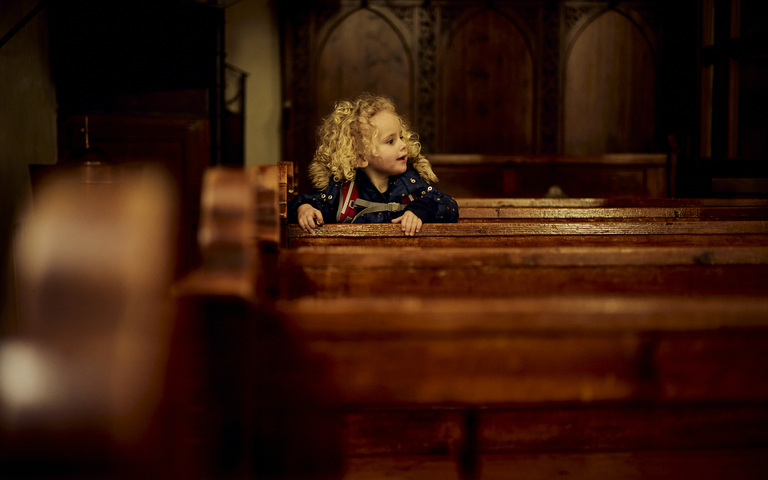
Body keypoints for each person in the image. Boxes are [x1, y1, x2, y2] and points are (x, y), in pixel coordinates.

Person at [288, 94, 459, 236]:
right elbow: (311, 203)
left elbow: (448, 205)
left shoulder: (411, 184)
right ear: (361, 158)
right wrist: (304, 209)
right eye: (391, 141)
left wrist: (419, 210)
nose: (403, 144)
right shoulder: (345, 192)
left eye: (401, 136)